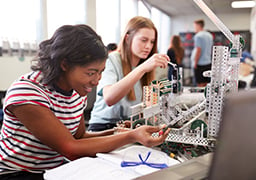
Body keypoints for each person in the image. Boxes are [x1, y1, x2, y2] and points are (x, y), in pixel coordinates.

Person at [0, 24, 170, 179]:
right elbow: (71, 149)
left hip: (56, 170)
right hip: (19, 174)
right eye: (91, 73)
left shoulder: (75, 91)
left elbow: (80, 136)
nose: (97, 81)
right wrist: (131, 136)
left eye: (101, 72)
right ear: (64, 64)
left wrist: (116, 132)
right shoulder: (28, 93)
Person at [88, 16, 170, 132]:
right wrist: (142, 69)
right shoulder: (111, 59)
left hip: (129, 127)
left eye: (152, 42)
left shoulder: (146, 69)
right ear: (127, 38)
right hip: (104, 127)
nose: (148, 46)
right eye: (143, 40)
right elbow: (109, 98)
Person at [191, 19, 213, 87]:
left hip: (200, 64)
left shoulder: (198, 36)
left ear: (199, 26)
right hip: (208, 63)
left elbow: (198, 50)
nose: (194, 28)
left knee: (200, 85)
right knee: (206, 84)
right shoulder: (210, 35)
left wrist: (195, 63)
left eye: (195, 26)